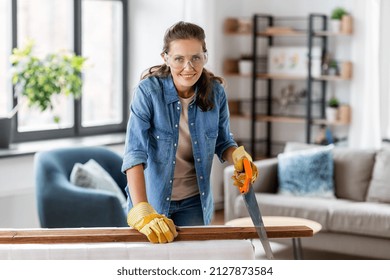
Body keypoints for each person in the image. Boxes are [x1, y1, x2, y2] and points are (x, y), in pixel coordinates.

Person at [121, 21, 258, 244]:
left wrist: (238, 158)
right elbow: (134, 154)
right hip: (152, 201)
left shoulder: (216, 92)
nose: (189, 67)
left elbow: (223, 142)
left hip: (195, 200)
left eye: (196, 57)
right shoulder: (148, 92)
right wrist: (142, 210)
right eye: (179, 59)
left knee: (193, 261)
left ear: (205, 56)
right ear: (165, 57)